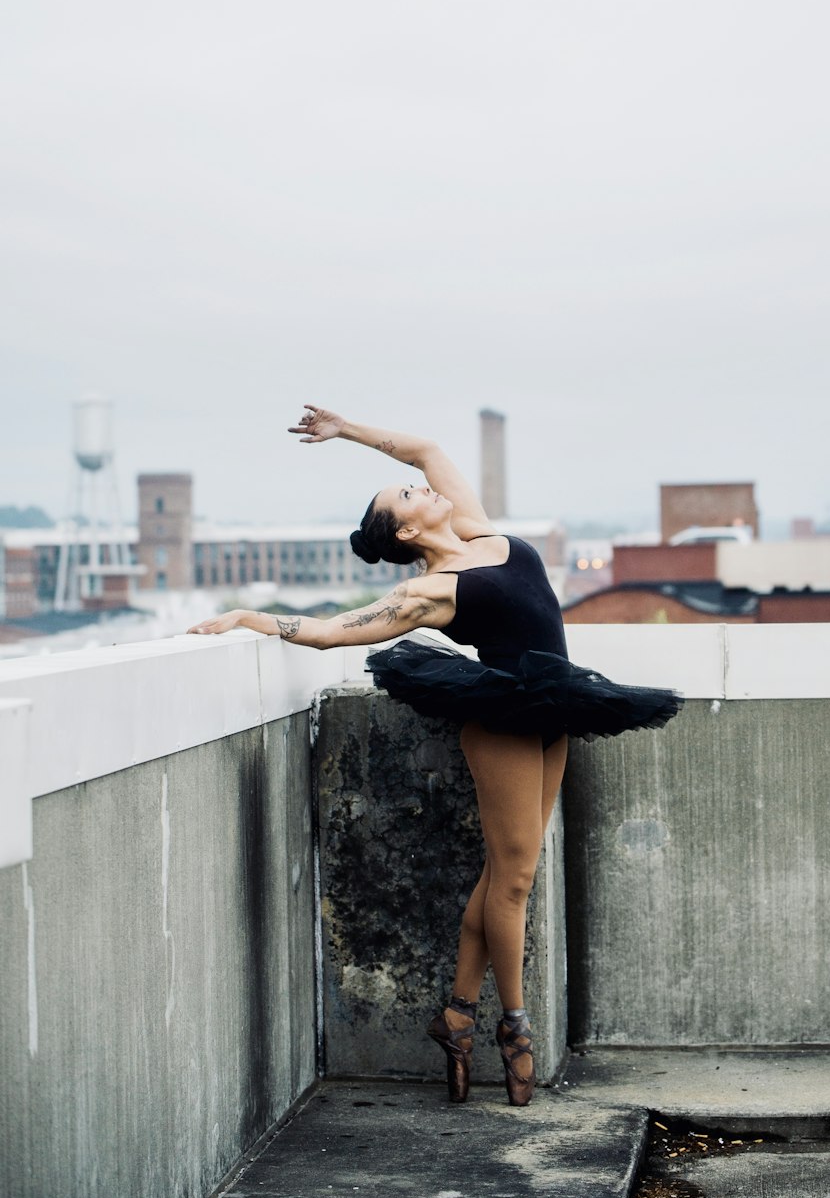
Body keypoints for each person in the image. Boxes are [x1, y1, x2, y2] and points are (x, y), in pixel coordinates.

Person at [188, 406, 682, 1107]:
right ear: (409, 532)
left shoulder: (482, 531)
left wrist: (344, 430)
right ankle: (513, 1028)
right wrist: (247, 616)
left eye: (413, 487)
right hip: (504, 719)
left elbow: (424, 449)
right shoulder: (429, 591)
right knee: (514, 883)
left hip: (559, 708)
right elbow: (332, 632)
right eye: (408, 498)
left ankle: (454, 1017)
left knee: (502, 877)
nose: (420, 487)